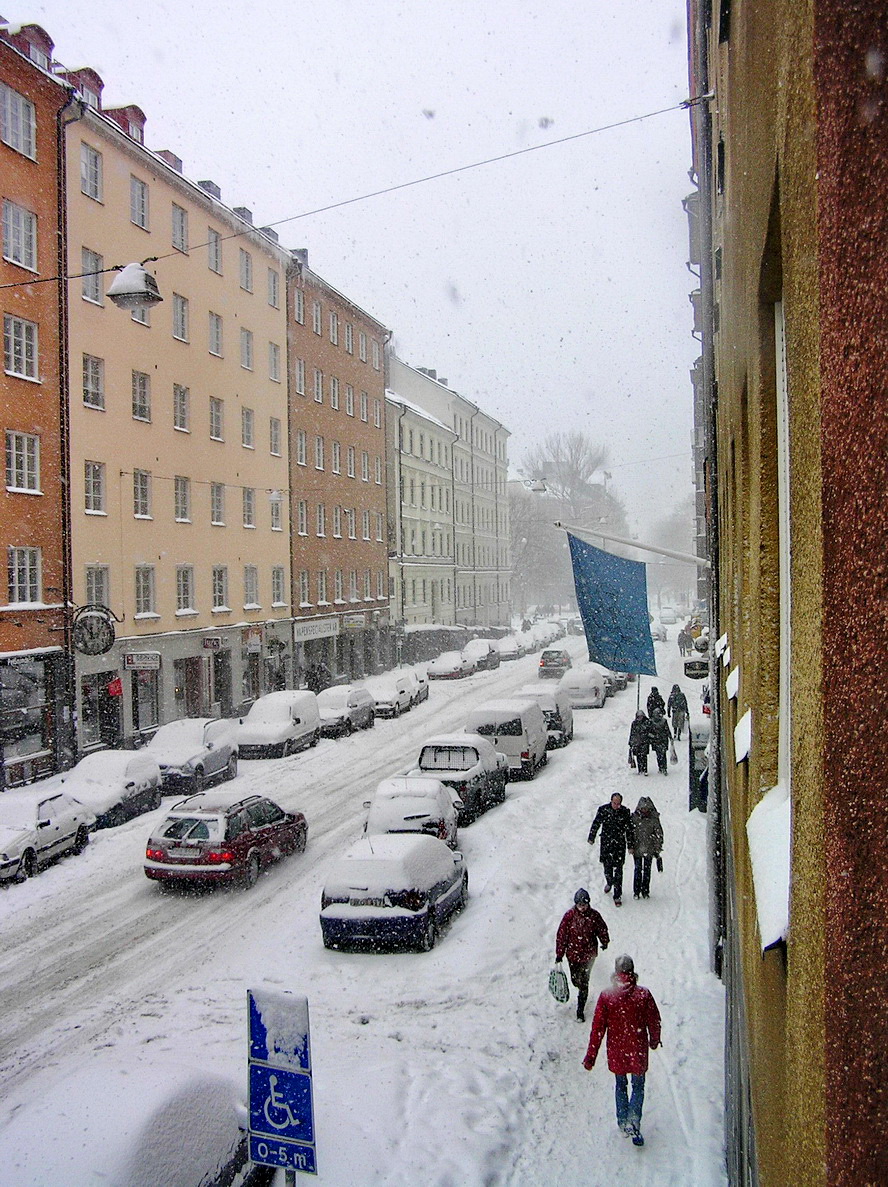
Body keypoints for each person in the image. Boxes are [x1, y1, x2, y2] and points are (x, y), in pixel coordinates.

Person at [583, 954, 662, 1146]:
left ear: (616, 973)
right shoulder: (643, 995)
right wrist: (654, 1040)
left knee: (620, 1085)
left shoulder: (607, 997)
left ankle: (622, 1120)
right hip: (637, 1049)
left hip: (617, 1050)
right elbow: (654, 1020)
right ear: (632, 971)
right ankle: (634, 1120)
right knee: (638, 1085)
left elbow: (598, 1029)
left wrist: (590, 1057)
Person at [555, 888, 610, 1023]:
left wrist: (604, 941)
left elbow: (602, 929)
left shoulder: (594, 916)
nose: (582, 908)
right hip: (572, 955)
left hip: (588, 956)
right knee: (575, 981)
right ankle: (580, 988)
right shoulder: (569, 917)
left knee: (584, 982)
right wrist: (559, 954)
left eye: (584, 905)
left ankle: (580, 1010)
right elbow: (562, 936)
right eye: (580, 905)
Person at [587, 792, 633, 906]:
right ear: (611, 801)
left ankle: (617, 895)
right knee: (607, 868)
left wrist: (630, 845)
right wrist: (591, 837)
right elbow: (596, 823)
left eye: (618, 803)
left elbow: (629, 830)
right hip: (607, 844)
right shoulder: (603, 810)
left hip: (619, 845)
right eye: (614, 802)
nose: (616, 805)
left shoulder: (625, 812)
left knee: (618, 871)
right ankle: (609, 882)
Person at [629, 797, 663, 899]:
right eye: (642, 809)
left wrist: (657, 847)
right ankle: (636, 891)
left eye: (646, 809)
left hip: (649, 848)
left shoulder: (653, 819)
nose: (644, 811)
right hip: (637, 848)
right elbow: (630, 833)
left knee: (647, 870)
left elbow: (659, 833)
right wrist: (631, 845)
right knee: (638, 869)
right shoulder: (634, 818)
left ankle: (645, 891)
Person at [647, 707, 672, 775]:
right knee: (659, 755)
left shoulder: (663, 721)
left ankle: (663, 767)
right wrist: (653, 737)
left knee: (662, 754)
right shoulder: (651, 722)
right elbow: (649, 732)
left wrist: (670, 737)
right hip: (657, 740)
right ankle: (661, 767)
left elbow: (667, 730)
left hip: (662, 740)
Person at [628, 711, 651, 775]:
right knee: (638, 756)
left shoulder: (646, 722)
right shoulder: (634, 723)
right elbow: (632, 733)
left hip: (644, 741)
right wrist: (631, 742)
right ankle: (640, 769)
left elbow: (649, 731)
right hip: (637, 742)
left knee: (644, 756)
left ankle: (645, 769)